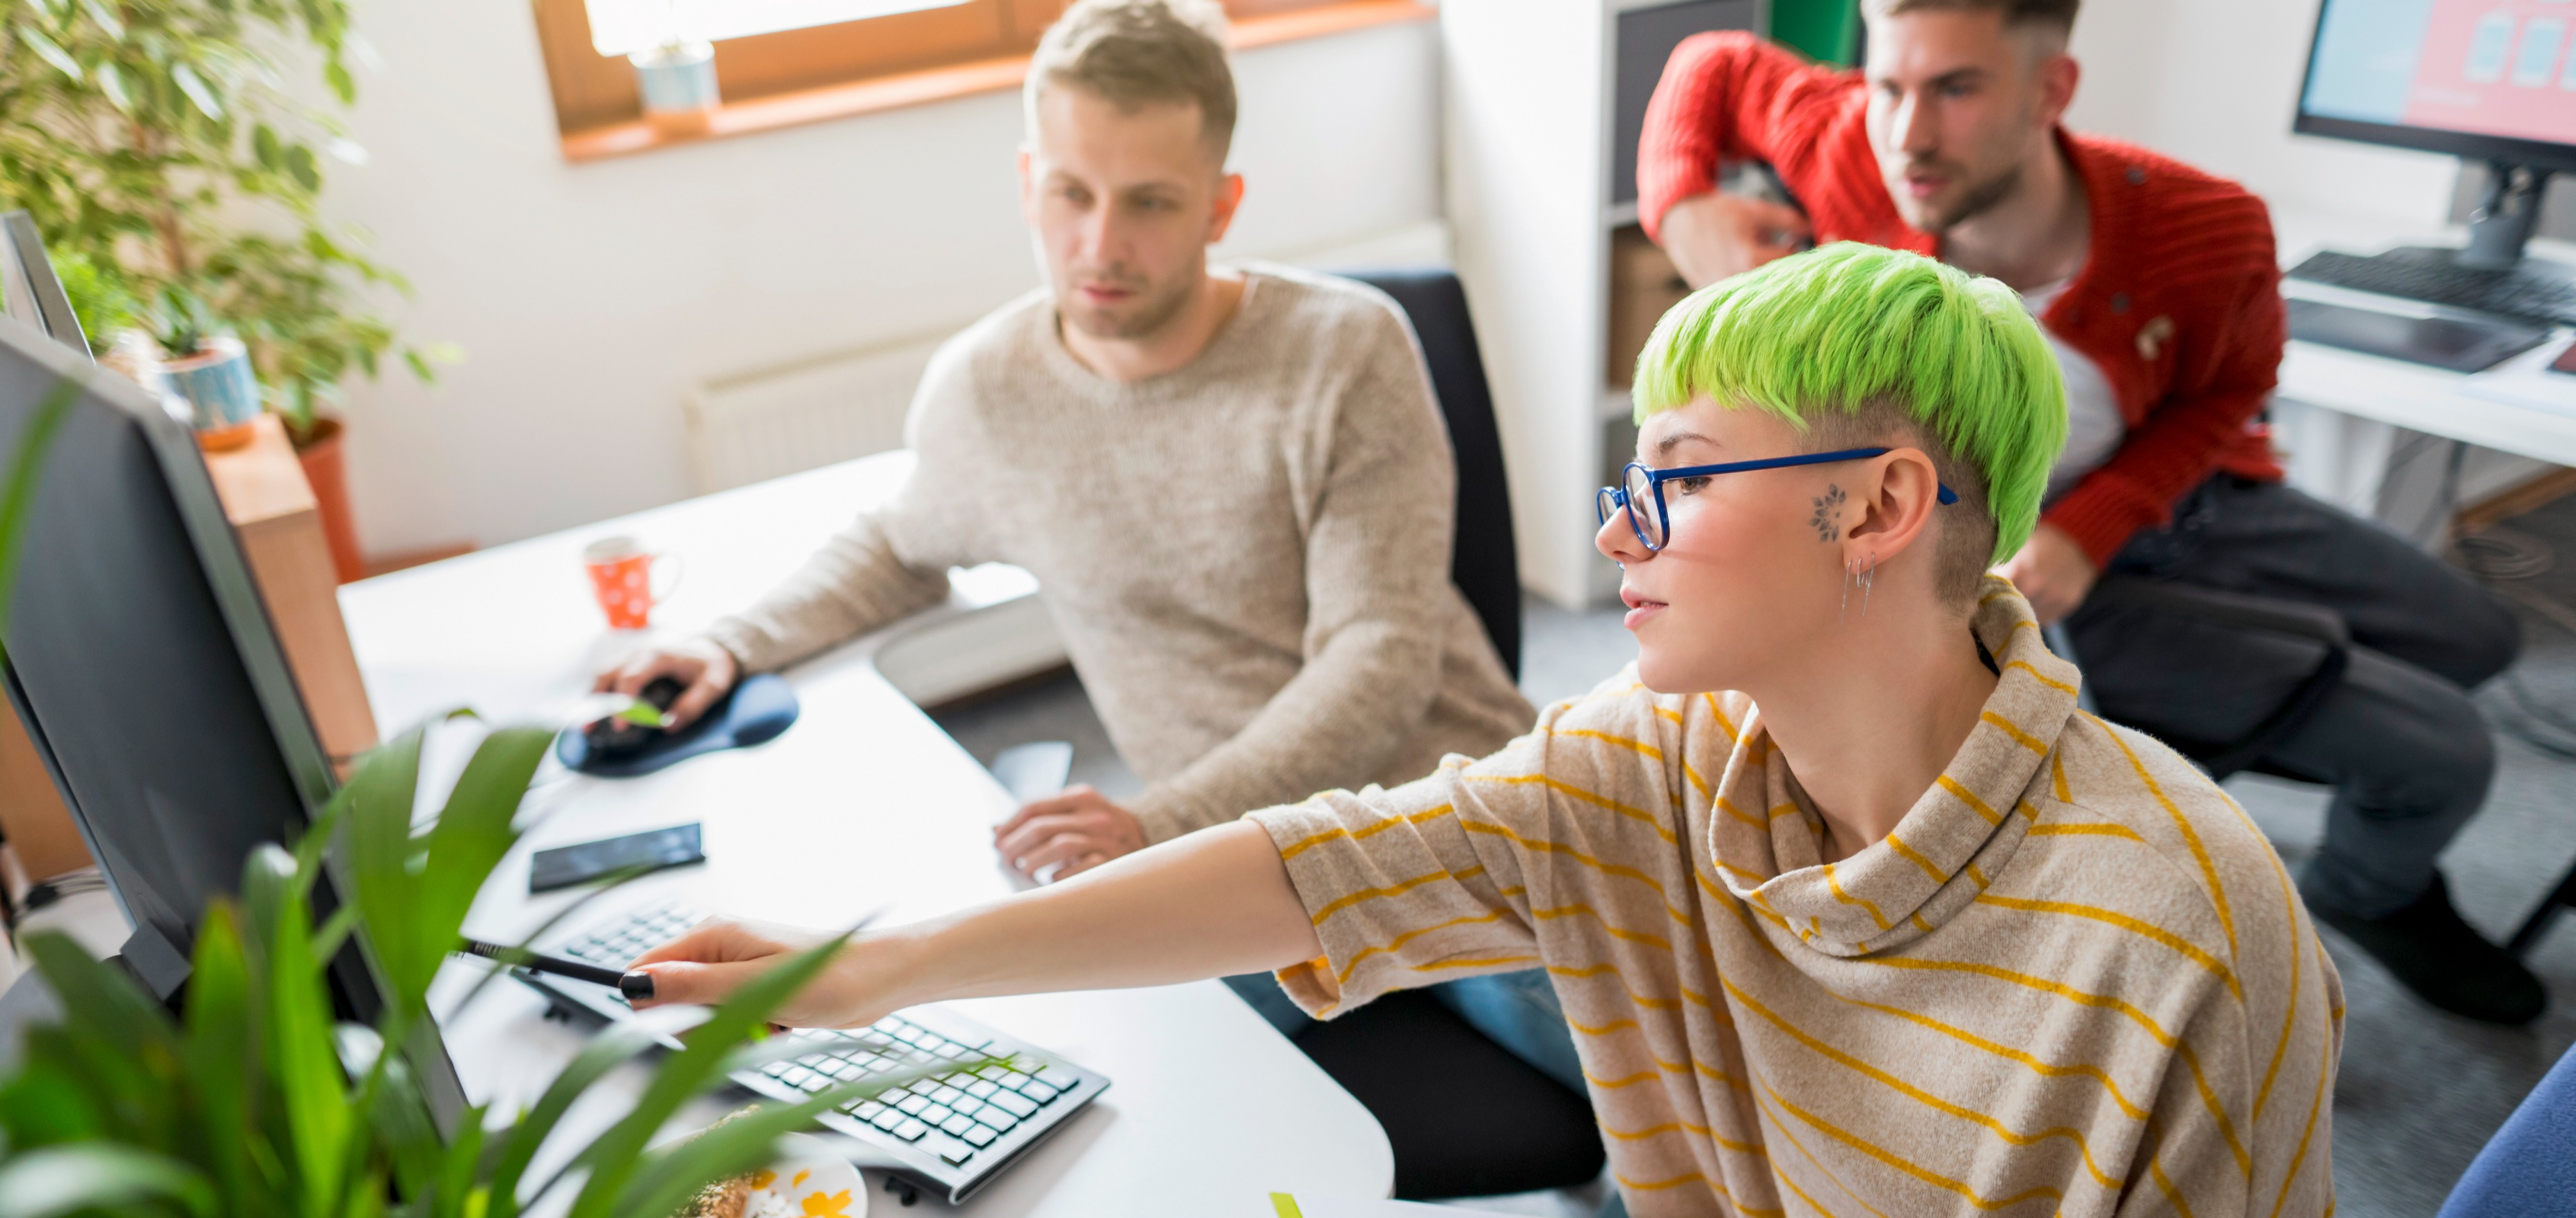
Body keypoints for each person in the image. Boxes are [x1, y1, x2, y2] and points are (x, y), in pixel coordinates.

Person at [624, 244, 2342, 1218]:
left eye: (1675, 483)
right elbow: (1328, 867)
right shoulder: (1660, 759)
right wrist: (858, 971)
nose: (1616, 540)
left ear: (1877, 509)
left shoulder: (2183, 931)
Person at [591, 0, 1545, 1047]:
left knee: (1678, 1079)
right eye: (1071, 193)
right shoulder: (989, 389)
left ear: (1221, 207)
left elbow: (1381, 658)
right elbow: (900, 546)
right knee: (1063, 1073)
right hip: (1232, 864)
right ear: (1025, 184)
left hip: (1443, 815)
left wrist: (1160, 825)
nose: (1101, 244)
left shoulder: (1346, 350)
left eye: (1150, 202)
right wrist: (730, 642)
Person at [1635, 0, 2538, 1024]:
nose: (1909, 133)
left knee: (2482, 635)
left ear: (2051, 91)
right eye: (1889, 85)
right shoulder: (1855, 146)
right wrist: (1679, 202)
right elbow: (1709, 60)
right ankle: (2368, 891)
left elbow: (2232, 386)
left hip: (2169, 500)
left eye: (1957, 89)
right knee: (2451, 755)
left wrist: (2101, 518)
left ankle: (2247, 727)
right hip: (2002, 557)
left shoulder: (2207, 225)